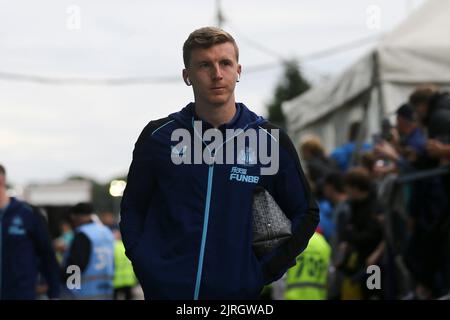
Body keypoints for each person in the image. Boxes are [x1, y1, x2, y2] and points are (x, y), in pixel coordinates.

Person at [120, 27, 319, 300]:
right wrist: (146, 263)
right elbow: (133, 208)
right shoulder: (158, 137)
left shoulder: (268, 139)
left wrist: (261, 272)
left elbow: (306, 212)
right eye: (204, 65)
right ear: (187, 76)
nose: (217, 74)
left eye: (225, 63)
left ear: (238, 70)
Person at [0, 164, 61, 300]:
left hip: (20, 294)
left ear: (2, 179)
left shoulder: (27, 214)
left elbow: (47, 254)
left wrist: (54, 292)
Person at [62, 203, 114, 300]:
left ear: (76, 218)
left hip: (85, 293)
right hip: (106, 292)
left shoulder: (83, 234)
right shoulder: (106, 232)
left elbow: (75, 266)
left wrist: (68, 286)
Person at [284, 229, 331, 300]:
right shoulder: (325, 245)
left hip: (292, 296)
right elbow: (329, 275)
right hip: (317, 297)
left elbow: (282, 273)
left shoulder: (296, 240)